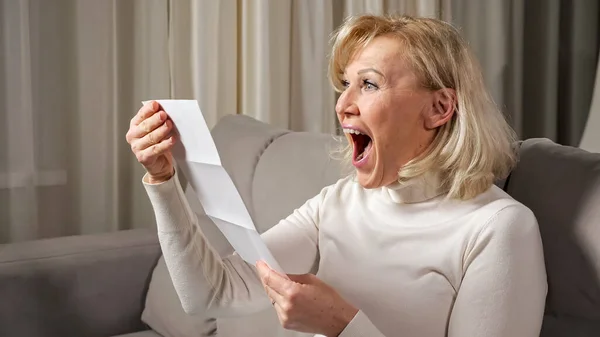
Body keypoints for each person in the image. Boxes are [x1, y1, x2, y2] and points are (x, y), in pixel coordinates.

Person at [125, 14, 547, 337]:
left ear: (439, 108)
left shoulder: (498, 228)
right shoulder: (339, 201)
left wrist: (343, 325)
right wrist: (163, 182)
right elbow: (210, 294)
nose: (343, 104)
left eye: (369, 84)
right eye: (345, 84)